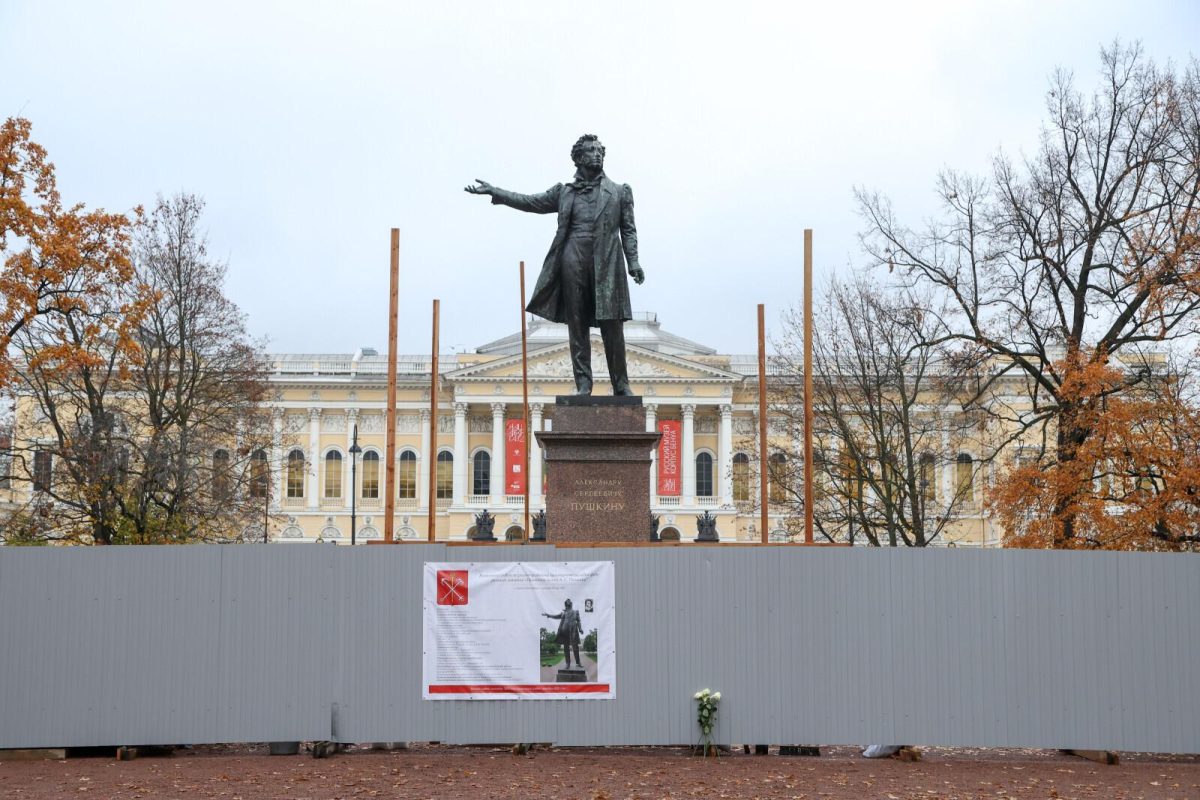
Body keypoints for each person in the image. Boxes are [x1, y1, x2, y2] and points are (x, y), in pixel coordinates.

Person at [465, 134, 645, 396]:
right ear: (578, 158)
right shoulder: (564, 192)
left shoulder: (619, 191)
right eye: (591, 151)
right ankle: (583, 384)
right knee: (577, 323)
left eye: (599, 150)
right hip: (572, 258)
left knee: (612, 325)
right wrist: (497, 192)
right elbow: (530, 202)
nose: (597, 154)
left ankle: (621, 384)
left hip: (607, 261)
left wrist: (634, 261)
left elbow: (629, 230)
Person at [542, 598, 583, 669]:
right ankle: (568, 663)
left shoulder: (576, 612)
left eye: (569, 602)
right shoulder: (564, 613)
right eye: (567, 602)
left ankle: (578, 662)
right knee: (566, 648)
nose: (568, 603)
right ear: (566, 605)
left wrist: (580, 629)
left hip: (573, 630)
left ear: (571, 604)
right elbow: (556, 616)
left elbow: (578, 621)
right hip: (565, 630)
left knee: (575, 647)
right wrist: (548, 615)